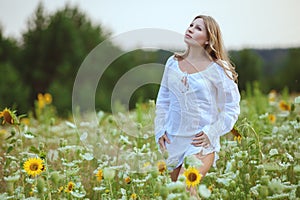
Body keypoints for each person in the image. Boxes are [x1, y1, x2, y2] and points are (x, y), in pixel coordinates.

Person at [154, 15, 240, 185]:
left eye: (198, 28)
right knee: (178, 193)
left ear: (209, 40)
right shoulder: (172, 62)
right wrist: (160, 129)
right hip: (173, 140)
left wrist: (212, 132)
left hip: (199, 142)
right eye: (191, 25)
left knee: (184, 186)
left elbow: (231, 107)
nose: (191, 28)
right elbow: (163, 99)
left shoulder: (219, 69)